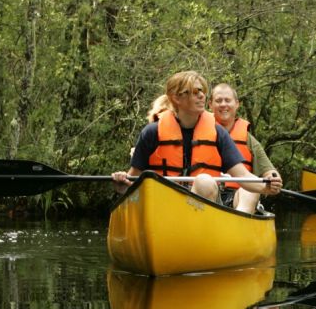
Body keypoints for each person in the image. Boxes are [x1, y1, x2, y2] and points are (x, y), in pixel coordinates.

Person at [111, 71, 282, 214]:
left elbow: (243, 176)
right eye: (193, 92)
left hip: (202, 216)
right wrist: (122, 184)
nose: (201, 95)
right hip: (164, 209)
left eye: (201, 91)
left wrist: (266, 187)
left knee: (204, 181)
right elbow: (132, 180)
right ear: (176, 98)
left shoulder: (218, 133)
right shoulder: (152, 133)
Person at [208, 83, 283, 210]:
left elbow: (269, 171)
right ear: (210, 105)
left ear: (237, 104)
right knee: (203, 183)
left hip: (238, 195)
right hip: (209, 194)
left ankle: (238, 224)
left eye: (228, 100)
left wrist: (272, 179)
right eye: (218, 101)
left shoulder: (249, 140)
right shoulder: (198, 132)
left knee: (251, 190)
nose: (223, 104)